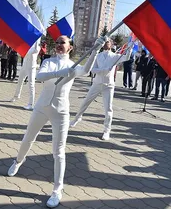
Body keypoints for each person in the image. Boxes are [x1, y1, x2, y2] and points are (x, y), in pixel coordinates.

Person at [7, 35, 106, 208]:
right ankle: (18, 161)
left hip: (61, 112)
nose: (59, 45)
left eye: (63, 43)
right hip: (41, 107)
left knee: (58, 152)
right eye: (58, 42)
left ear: (70, 47)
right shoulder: (49, 61)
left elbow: (86, 70)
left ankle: (57, 190)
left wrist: (95, 50)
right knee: (28, 139)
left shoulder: (73, 66)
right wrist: (58, 73)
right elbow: (40, 76)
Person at [70, 39, 134, 140]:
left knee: (108, 109)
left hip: (108, 85)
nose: (106, 43)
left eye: (108, 42)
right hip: (97, 83)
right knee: (85, 102)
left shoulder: (115, 57)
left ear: (111, 44)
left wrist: (130, 47)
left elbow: (126, 57)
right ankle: (77, 118)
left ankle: (106, 130)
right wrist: (103, 70)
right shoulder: (98, 56)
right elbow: (93, 69)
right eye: (105, 42)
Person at [11, 40, 41, 110]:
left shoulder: (37, 46)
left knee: (31, 85)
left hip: (31, 67)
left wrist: (37, 39)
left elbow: (36, 50)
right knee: (20, 81)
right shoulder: (27, 45)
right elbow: (20, 53)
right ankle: (16, 96)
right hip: (24, 66)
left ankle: (31, 104)